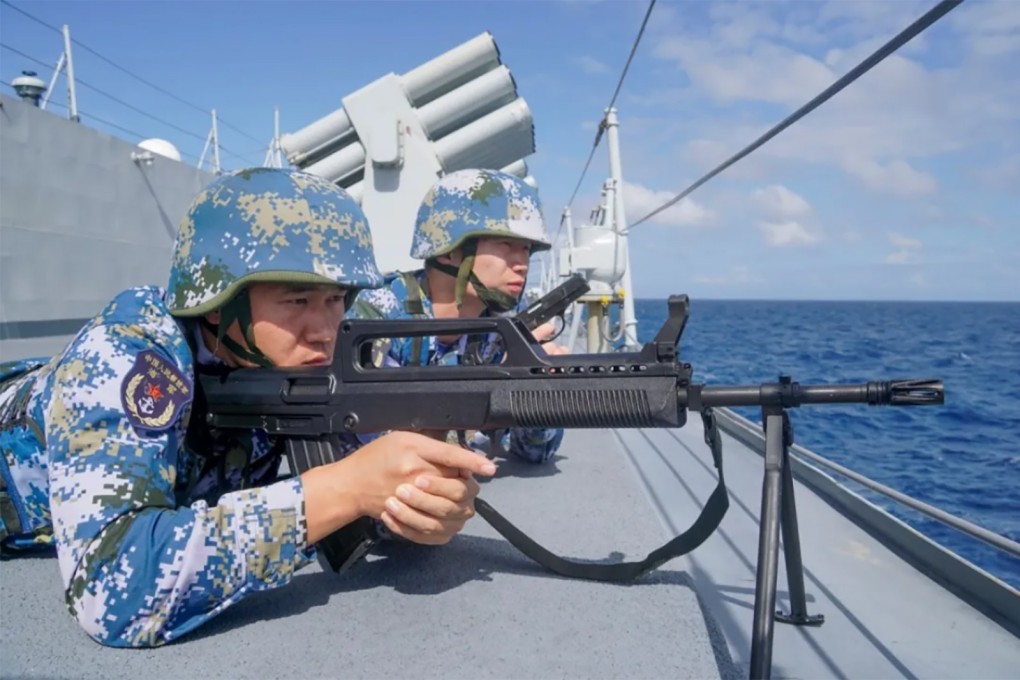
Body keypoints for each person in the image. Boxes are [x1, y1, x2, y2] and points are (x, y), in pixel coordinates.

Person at [0, 168, 496, 648]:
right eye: (298, 301)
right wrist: (344, 489)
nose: (325, 329)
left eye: (337, 300)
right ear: (218, 303)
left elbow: (371, 478)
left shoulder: (295, 360)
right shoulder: (128, 357)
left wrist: (417, 500)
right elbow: (112, 591)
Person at [349, 168, 569, 463]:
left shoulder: (499, 333)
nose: (522, 264)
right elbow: (370, 440)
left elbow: (535, 451)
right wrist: (483, 406)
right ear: (448, 251)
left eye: (527, 250)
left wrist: (531, 388)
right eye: (507, 246)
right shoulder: (378, 314)